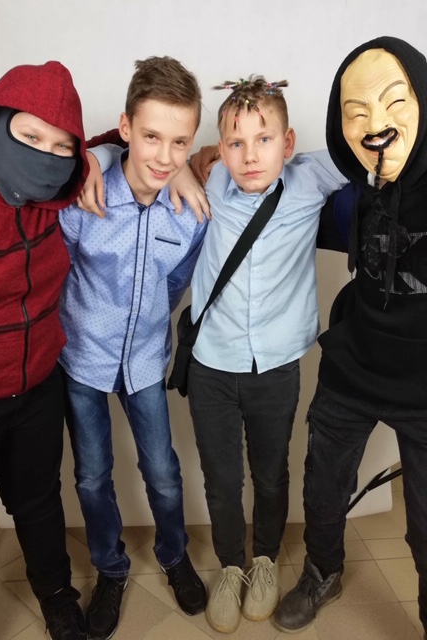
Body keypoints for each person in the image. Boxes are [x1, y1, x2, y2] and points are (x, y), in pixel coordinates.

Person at [274, 36, 427, 638]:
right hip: (354, 366)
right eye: (356, 111)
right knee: (322, 486)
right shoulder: (352, 196)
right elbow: (268, 181)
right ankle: (323, 570)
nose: (376, 123)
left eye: (394, 101)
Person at [184, 76, 347, 634]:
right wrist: (184, 166)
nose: (250, 155)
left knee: (271, 472)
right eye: (236, 142)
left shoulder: (309, 180)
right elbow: (135, 154)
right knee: (221, 477)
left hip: (275, 365)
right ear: (220, 147)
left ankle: (265, 560)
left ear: (288, 142)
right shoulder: (209, 177)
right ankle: (231, 565)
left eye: (264, 139)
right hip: (211, 362)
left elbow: (365, 148)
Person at [58, 56, 208, 640]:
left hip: (145, 359)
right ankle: (111, 569)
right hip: (83, 359)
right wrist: (92, 157)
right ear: (125, 128)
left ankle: (174, 555)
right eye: (151, 136)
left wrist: (146, 325)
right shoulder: (84, 198)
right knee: (92, 476)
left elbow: (176, 286)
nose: (164, 157)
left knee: (163, 471)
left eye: (180, 142)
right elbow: (58, 271)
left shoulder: (190, 214)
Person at [0, 61, 91, 640]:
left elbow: (133, 150)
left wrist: (196, 165)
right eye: (30, 137)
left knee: (38, 502)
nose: (45, 158)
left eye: (61, 147)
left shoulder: (61, 197)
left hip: (37, 385)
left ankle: (57, 598)